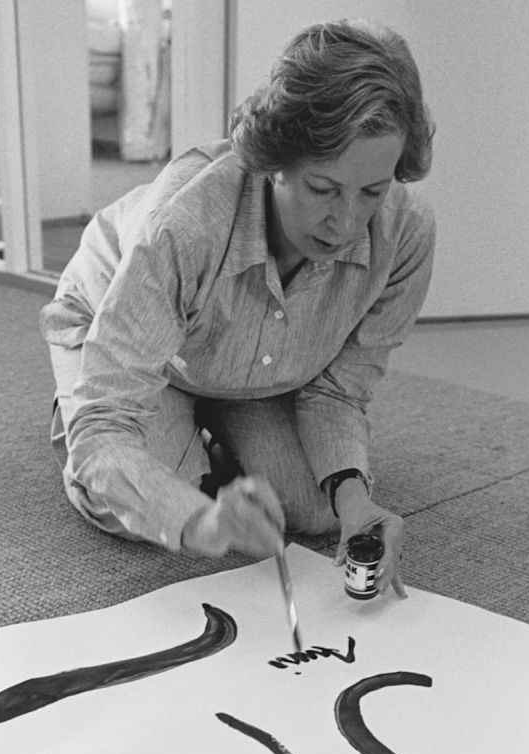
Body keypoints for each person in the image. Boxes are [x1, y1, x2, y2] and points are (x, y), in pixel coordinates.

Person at [41, 18, 435, 597]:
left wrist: (355, 497)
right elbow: (105, 428)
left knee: (319, 512)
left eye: (371, 192)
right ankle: (122, 414)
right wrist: (199, 518)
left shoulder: (407, 233)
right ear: (275, 158)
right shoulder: (184, 226)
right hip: (114, 321)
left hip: (250, 369)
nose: (347, 223)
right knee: (147, 507)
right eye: (323, 189)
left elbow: (337, 390)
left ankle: (216, 424)